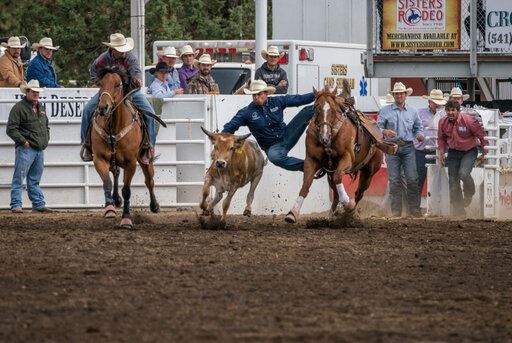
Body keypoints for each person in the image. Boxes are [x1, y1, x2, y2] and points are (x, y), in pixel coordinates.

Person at [80, 33, 157, 164]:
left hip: (129, 91)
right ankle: (87, 145)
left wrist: (137, 80)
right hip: (108, 92)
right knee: (87, 111)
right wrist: (101, 83)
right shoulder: (102, 59)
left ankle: (148, 147)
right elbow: (93, 71)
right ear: (113, 49)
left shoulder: (130, 58)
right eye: (119, 49)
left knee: (151, 114)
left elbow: (136, 72)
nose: (122, 51)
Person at [223, 80, 314, 171]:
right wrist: (221, 138)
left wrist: (319, 94)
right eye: (254, 95)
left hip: (288, 134)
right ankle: (309, 166)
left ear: (266, 93)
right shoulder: (246, 113)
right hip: (272, 147)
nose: (256, 97)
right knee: (275, 157)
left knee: (309, 110)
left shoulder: (277, 101)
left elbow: (299, 99)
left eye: (259, 94)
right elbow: (230, 126)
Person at [377, 82, 424, 217]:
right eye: (396, 94)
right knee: (394, 180)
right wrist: (385, 131)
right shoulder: (385, 111)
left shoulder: (413, 111)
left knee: (413, 179)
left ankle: (414, 209)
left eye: (401, 93)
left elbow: (418, 127)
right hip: (392, 147)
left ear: (405, 95)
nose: (399, 96)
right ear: (394, 95)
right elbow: (377, 129)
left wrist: (419, 135)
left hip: (408, 146)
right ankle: (396, 211)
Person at [6, 80, 52, 213]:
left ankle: (37, 204)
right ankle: (17, 204)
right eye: (33, 92)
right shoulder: (19, 108)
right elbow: (11, 129)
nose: (36, 94)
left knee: (33, 178)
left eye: (37, 92)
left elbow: (46, 125)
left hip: (38, 148)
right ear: (27, 92)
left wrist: (46, 139)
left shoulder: (40, 107)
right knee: (20, 177)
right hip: (27, 148)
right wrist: (23, 141)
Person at [438, 100, 488, 217]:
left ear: (458, 111)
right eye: (448, 110)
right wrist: (441, 152)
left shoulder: (469, 121)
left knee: (463, 174)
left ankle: (469, 192)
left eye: (452, 110)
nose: (450, 113)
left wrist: (485, 152)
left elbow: (481, 135)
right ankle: (459, 211)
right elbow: (441, 138)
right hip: (453, 152)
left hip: (469, 151)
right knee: (453, 181)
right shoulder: (443, 122)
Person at [414, 89, 446, 197]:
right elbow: (413, 128)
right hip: (421, 151)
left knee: (437, 180)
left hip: (436, 152)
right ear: (429, 102)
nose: (437, 104)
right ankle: (415, 207)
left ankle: (437, 206)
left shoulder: (444, 115)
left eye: (438, 103)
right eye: (434, 102)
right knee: (418, 179)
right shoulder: (419, 113)